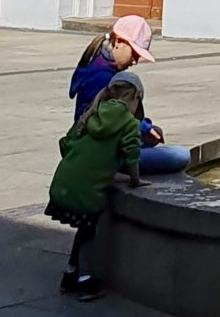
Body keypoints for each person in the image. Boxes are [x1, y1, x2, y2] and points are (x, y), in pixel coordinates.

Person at [47, 68, 145, 299]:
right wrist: (135, 180)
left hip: (62, 183)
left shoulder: (91, 113)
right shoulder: (129, 123)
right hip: (86, 193)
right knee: (90, 233)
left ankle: (70, 274)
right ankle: (86, 282)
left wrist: (86, 167)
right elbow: (132, 156)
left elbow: (66, 143)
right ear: (134, 97)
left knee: (84, 229)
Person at [68, 17, 190, 178]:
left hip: (97, 144)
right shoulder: (101, 77)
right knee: (180, 155)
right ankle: (118, 162)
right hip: (98, 152)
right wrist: (140, 127)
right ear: (119, 42)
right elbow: (107, 121)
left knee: (154, 134)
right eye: (135, 53)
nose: (135, 61)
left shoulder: (98, 65)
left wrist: (143, 127)